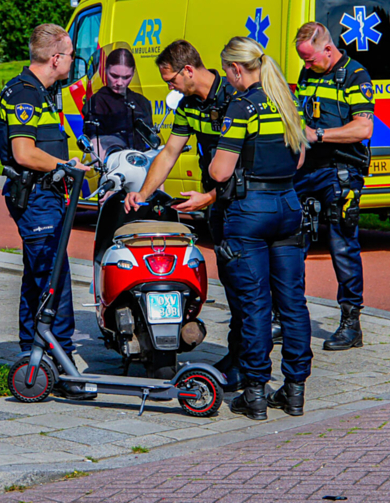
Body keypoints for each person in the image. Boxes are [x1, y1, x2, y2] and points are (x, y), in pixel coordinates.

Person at [122, 40, 240, 386]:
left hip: (243, 200)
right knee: (232, 281)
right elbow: (169, 151)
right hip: (216, 201)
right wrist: (142, 193)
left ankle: (247, 362)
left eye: (171, 79)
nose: (169, 87)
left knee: (247, 286)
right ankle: (239, 355)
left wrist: (210, 197)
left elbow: (250, 163)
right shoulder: (189, 105)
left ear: (188, 70)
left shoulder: (234, 98)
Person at [209, 36, 311, 421]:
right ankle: (295, 390)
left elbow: (220, 170)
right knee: (292, 304)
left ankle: (254, 392)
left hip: (250, 210)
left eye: (227, 71)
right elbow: (299, 159)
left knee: (255, 306)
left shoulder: (243, 105)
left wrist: (212, 171)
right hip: (288, 205)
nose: (228, 79)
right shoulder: (285, 100)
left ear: (237, 69)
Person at [0, 23, 95, 401]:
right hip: (37, 198)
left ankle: (32, 356)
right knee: (53, 279)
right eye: (71, 55)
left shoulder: (42, 91)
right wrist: (64, 167)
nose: (73, 61)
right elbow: (23, 153)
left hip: (45, 194)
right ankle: (62, 366)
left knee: (37, 277)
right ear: (56, 58)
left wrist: (61, 162)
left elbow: (40, 147)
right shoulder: (25, 93)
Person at [293, 22, 374, 351]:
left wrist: (320, 135)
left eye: (310, 59)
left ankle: (350, 322)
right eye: (303, 60)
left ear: (328, 49)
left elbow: (362, 128)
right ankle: (290, 316)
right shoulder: (307, 73)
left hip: (341, 169)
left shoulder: (355, 75)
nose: (306, 65)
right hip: (307, 169)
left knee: (342, 245)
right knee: (291, 241)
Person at [82, 45, 152, 158]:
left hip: (139, 162)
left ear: (133, 74)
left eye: (126, 77)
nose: (119, 82)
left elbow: (149, 139)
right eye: (114, 76)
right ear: (105, 70)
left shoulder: (141, 101)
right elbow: (94, 139)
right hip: (111, 163)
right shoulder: (97, 101)